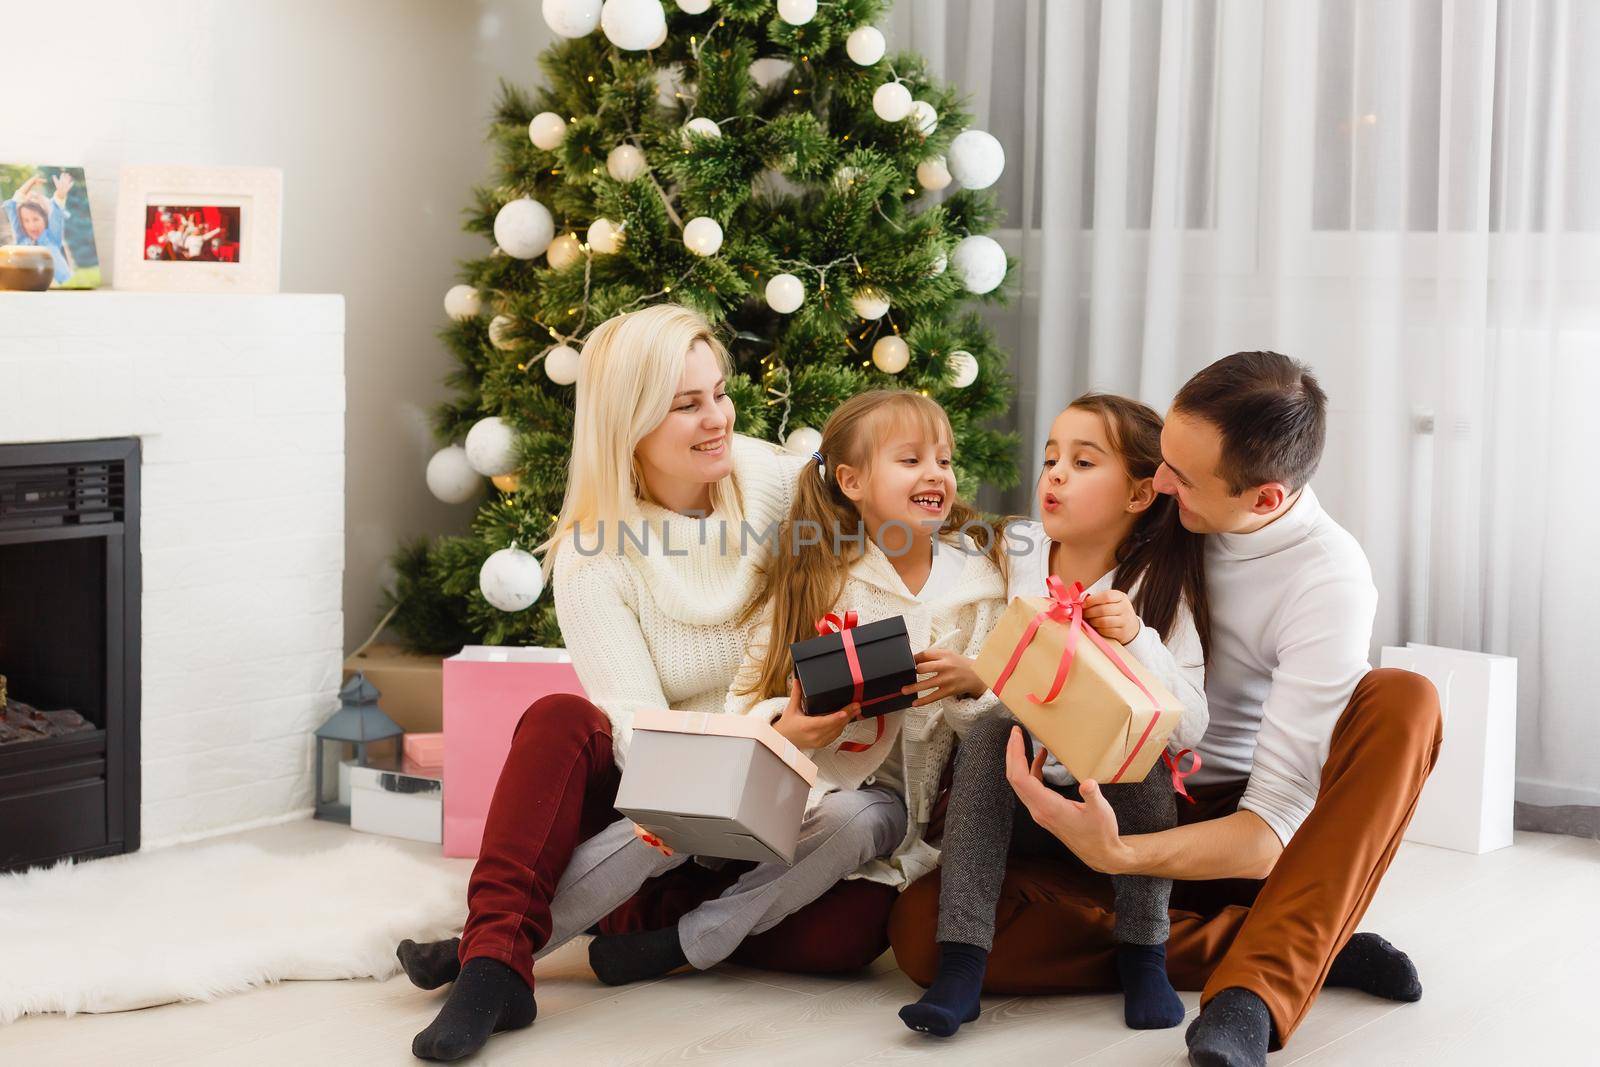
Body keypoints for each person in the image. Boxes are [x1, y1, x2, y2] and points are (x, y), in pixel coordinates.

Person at [889, 351, 1442, 1067]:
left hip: (1228, 824)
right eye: (1159, 460)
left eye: (1178, 475)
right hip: (1102, 788)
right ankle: (1300, 939)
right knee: (917, 930)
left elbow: (1272, 823)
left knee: (1406, 698)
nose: (1156, 480)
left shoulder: (1327, 576)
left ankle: (1258, 983)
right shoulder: (1155, 512)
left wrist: (1120, 852)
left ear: (1265, 499)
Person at [403, 305, 893, 1062]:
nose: (718, 418)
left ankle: (629, 938)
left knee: (855, 926)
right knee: (561, 716)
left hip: (781, 800)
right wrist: (757, 744)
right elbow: (638, 735)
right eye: (688, 404)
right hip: (658, 804)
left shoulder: (781, 486)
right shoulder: (594, 555)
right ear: (629, 421)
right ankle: (494, 966)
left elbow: (886, 561)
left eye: (721, 393)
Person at [572, 389, 1010, 988]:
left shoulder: (982, 586)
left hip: (889, 808)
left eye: (945, 459)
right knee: (667, 813)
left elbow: (1003, 720)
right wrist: (790, 724)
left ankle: (690, 941)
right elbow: (748, 696)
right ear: (852, 481)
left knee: (855, 815)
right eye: (911, 460)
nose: (936, 473)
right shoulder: (820, 578)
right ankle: (499, 944)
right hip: (797, 772)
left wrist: (970, 684)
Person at [899, 394, 1209, 1037]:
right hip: (1023, 804)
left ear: (1138, 494)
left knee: (1143, 757)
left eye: (1082, 461)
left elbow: (1193, 727)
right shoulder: (1019, 551)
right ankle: (961, 968)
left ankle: (1144, 953)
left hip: (1109, 815)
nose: (1055, 474)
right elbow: (942, 550)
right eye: (1050, 459)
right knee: (991, 730)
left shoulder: (1158, 584)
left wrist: (1137, 640)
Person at [3, 173, 74, 284]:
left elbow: (56, 214)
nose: (31, 225)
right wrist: (30, 183)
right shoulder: (21, 240)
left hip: (58, 287)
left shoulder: (52, 237)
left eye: (35, 219)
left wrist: (60, 196)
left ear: (44, 219)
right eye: (26, 220)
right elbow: (12, 206)